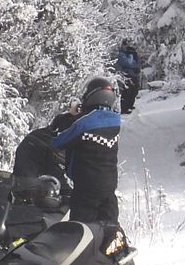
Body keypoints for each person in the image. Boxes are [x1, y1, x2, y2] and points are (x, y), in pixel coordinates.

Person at [52, 76, 123, 225]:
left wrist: (67, 117)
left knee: (80, 233)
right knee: (108, 231)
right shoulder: (115, 120)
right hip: (109, 187)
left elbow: (58, 140)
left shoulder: (83, 122)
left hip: (86, 188)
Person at [114, 40, 143, 115]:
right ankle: (124, 108)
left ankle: (130, 105)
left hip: (135, 74)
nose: (127, 46)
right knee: (127, 91)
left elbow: (138, 62)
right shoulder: (122, 54)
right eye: (125, 44)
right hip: (127, 75)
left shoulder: (133, 52)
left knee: (134, 91)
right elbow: (127, 63)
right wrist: (130, 55)